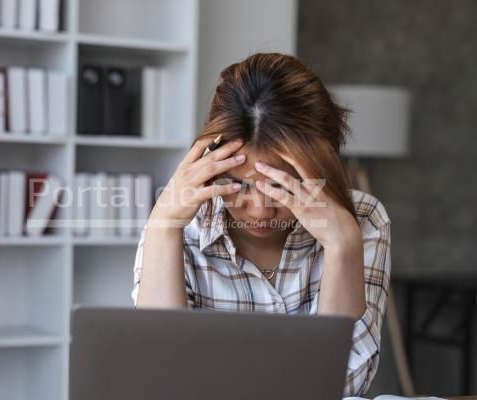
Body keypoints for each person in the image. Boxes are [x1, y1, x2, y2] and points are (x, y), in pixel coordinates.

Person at [131, 52, 391, 397]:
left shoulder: (363, 219)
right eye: (239, 184)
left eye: (282, 187)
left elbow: (342, 386)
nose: (260, 211)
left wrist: (342, 248)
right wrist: (163, 228)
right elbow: (158, 381)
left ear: (322, 169)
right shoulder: (178, 224)